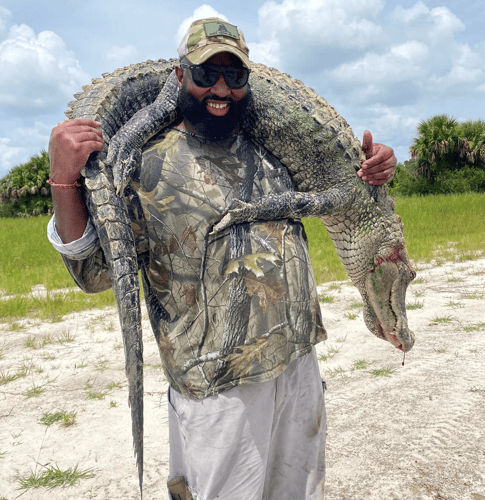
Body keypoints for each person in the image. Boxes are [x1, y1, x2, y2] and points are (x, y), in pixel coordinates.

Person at [48, 18, 397, 500]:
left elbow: (343, 188)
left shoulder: (273, 152)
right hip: (217, 388)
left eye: (235, 77)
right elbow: (93, 272)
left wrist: (373, 167)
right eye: (205, 73)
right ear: (178, 77)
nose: (221, 89)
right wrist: (63, 183)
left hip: (297, 364)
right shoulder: (145, 164)